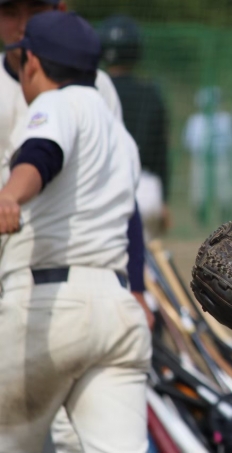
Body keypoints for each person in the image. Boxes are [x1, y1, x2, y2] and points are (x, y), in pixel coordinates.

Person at [0, 10, 150, 453]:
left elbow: (41, 154)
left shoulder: (54, 103)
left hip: (51, 307)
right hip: (118, 315)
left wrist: (10, 195)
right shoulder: (119, 135)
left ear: (31, 62)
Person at [100, 15, 171, 240]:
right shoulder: (151, 93)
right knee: (144, 256)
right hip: (145, 188)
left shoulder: (93, 91)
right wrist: (164, 200)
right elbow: (161, 151)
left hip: (102, 186)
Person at [183, 86, 232, 221]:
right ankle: (201, 213)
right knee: (199, 187)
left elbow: (230, 141)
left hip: (220, 157)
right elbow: (189, 142)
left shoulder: (224, 119)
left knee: (223, 187)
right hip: (201, 158)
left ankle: (225, 212)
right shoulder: (195, 120)